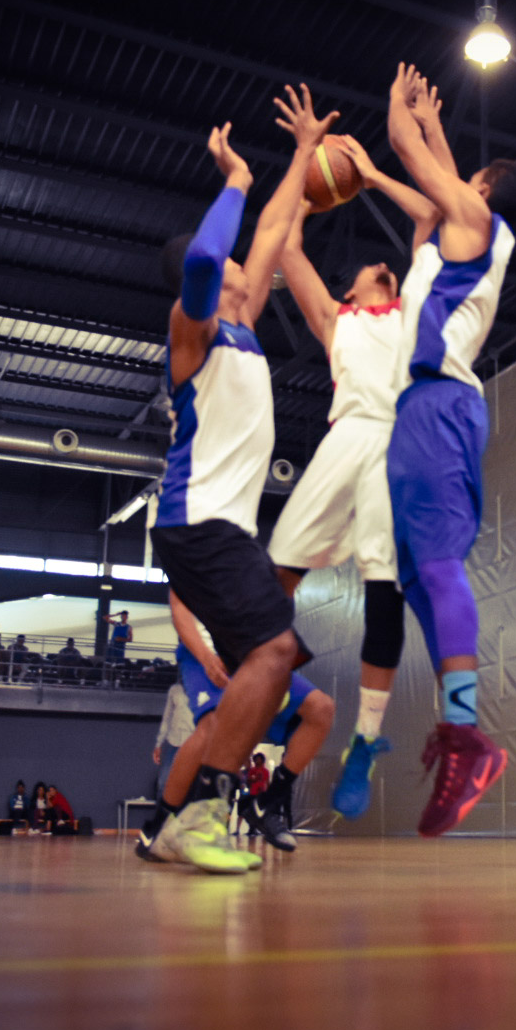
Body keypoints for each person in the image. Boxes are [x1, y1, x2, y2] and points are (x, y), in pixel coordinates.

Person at [143, 85, 334, 874]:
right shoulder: (192, 329)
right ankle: (208, 811)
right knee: (278, 651)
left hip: (216, 529)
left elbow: (277, 232)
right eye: (231, 264)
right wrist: (236, 179)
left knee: (264, 666)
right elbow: (204, 255)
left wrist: (299, 156)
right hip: (201, 522)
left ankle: (175, 822)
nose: (243, 270)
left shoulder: (245, 323)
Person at [382, 64, 516, 837]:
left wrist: (398, 115)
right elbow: (427, 181)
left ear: (481, 189)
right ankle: (458, 728)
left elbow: (423, 166)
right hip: (418, 410)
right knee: (416, 578)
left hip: (440, 403)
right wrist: (421, 137)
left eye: (468, 179)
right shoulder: (462, 235)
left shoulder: (474, 220)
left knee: (440, 567)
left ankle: (469, 733)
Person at [268, 135, 439, 821]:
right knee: (275, 577)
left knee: (383, 593)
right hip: (345, 443)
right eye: (370, 267)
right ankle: (262, 682)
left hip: (398, 448)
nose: (381, 261)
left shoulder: (412, 308)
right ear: (350, 291)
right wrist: (307, 194)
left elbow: (427, 215)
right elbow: (283, 249)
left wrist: (366, 174)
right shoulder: (336, 318)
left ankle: (364, 739)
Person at [139, 593, 334, 857]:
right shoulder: (190, 553)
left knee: (320, 709)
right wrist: (208, 659)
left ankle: (264, 805)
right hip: (203, 655)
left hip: (251, 654)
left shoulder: (256, 556)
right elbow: (180, 611)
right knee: (212, 725)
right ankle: (157, 827)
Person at [151, 675, 195, 801]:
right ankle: (163, 817)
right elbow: (167, 718)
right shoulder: (174, 689)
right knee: (163, 782)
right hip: (173, 741)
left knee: (192, 784)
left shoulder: (201, 688)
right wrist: (159, 744)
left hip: (192, 743)